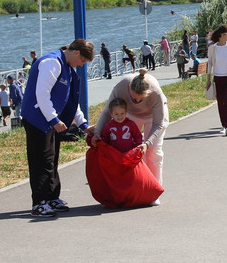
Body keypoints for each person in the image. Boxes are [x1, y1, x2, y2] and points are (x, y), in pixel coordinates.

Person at [21, 39, 95, 217]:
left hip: (50, 121)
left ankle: (52, 196)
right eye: (83, 61)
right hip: (37, 119)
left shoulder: (68, 67)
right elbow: (42, 93)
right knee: (41, 161)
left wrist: (83, 123)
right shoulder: (52, 63)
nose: (81, 65)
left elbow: (70, 101)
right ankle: (39, 202)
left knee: (52, 160)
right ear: (76, 52)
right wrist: (53, 118)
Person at [90, 69, 169, 201]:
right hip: (131, 115)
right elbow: (106, 112)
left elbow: (158, 124)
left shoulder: (156, 93)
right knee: (131, 153)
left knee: (153, 153)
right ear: (129, 88)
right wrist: (97, 132)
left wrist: (147, 143)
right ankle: (136, 188)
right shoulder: (121, 87)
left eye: (141, 99)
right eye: (134, 98)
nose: (137, 101)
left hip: (153, 118)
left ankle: (154, 191)